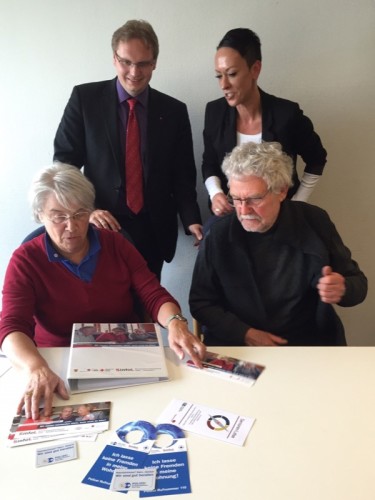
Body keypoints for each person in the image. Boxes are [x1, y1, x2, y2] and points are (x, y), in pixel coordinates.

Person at [0, 163, 206, 420]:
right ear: (40, 214)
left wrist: (176, 323)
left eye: (79, 214)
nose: (71, 226)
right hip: (56, 363)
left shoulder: (116, 244)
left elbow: (153, 294)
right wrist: (35, 367)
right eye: (58, 216)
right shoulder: (25, 260)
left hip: (124, 354)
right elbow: (11, 327)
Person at [53, 19, 202, 279]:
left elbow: (182, 175)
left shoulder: (174, 111)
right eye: (126, 62)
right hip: (100, 225)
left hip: (153, 230)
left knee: (148, 307)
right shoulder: (84, 99)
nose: (134, 71)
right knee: (105, 307)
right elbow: (64, 166)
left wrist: (192, 219)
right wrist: (87, 211)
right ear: (114, 59)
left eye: (143, 63)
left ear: (155, 62)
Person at [189, 141, 367, 346]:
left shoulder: (314, 221)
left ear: (281, 191)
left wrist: (342, 288)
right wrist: (245, 333)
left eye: (254, 199)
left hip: (307, 344)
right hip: (240, 344)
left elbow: (359, 285)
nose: (244, 210)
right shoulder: (219, 233)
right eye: (236, 198)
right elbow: (201, 302)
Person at [202, 27, 327, 218]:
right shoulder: (214, 112)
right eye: (219, 75)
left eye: (232, 73)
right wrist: (216, 194)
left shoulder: (287, 114)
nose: (223, 85)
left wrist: (297, 204)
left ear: (255, 69)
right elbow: (209, 163)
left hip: (279, 222)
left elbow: (317, 159)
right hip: (229, 219)